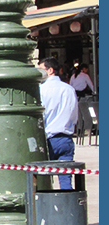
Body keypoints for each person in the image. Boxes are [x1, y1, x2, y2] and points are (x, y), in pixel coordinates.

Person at [40, 56, 78, 190]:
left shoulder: (41, 90)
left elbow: (40, 116)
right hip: (65, 138)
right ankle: (67, 208)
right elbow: (74, 115)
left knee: (42, 179)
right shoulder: (69, 89)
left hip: (47, 138)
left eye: (41, 70)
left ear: (50, 70)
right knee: (65, 179)